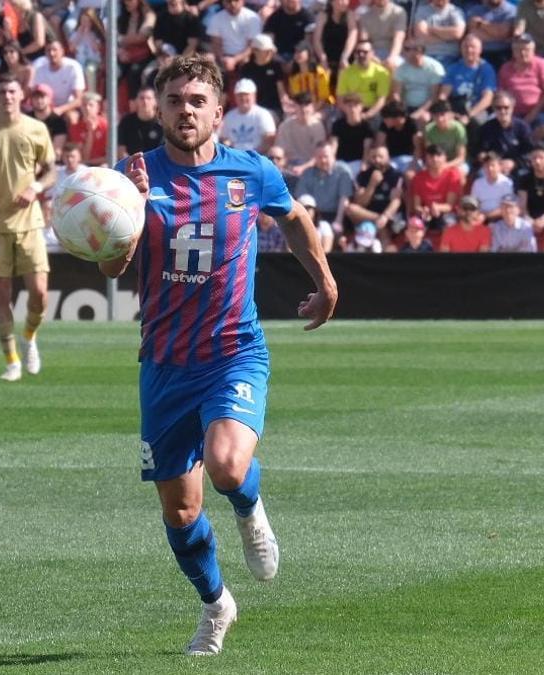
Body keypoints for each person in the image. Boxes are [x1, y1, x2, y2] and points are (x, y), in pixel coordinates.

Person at [101, 54, 336, 657]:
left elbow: (296, 220)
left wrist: (327, 282)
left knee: (227, 465)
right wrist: (127, 212)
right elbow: (111, 265)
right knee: (180, 511)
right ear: (158, 107)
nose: (186, 110)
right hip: (163, 363)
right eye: (175, 99)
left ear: (219, 111)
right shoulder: (132, 176)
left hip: (234, 351)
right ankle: (216, 605)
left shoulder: (251, 172)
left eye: (197, 101)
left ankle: (250, 507)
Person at [0, 74, 56, 381]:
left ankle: (29, 336)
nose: (7, 96)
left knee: (39, 293)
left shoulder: (36, 129)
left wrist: (36, 188)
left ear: (21, 95)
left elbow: (52, 171)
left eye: (12, 91)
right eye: (1, 91)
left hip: (29, 223)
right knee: (1, 294)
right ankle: (12, 360)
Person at [346, 145, 403, 245]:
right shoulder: (363, 175)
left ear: (388, 157)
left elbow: (396, 201)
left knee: (382, 228)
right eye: (374, 157)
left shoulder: (396, 175)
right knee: (351, 209)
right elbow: (360, 203)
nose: (377, 160)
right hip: (367, 214)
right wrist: (372, 184)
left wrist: (385, 216)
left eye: (380, 157)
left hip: (388, 216)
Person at [440, 34, 497, 125]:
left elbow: (487, 99)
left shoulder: (486, 69)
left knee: (477, 122)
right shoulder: (453, 68)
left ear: (480, 50)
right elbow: (443, 95)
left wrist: (468, 115)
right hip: (456, 107)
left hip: (477, 109)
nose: (469, 50)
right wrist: (446, 112)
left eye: (473, 47)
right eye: (465, 47)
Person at [393, 40, 446, 124]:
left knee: (423, 118)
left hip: (429, 108)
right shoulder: (401, 69)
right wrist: (400, 111)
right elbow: (396, 94)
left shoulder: (434, 68)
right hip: (407, 107)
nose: (405, 53)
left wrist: (420, 112)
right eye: (405, 49)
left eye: (409, 49)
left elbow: (434, 97)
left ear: (420, 51)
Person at [219, 78, 277, 153]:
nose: (243, 98)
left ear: (254, 95)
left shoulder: (263, 114)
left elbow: (269, 140)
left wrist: (251, 156)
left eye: (246, 94)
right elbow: (224, 138)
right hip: (234, 157)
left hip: (257, 157)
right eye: (240, 95)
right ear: (235, 97)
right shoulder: (229, 116)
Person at [31, 39, 86, 117]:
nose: (51, 53)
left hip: (66, 106)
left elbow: (79, 99)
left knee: (72, 117)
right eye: (48, 50)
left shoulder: (73, 67)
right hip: (44, 106)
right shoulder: (39, 66)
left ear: (62, 51)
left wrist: (60, 110)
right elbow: (33, 93)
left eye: (55, 50)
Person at [336, 39, 391, 117]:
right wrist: (352, 114)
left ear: (372, 53)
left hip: (372, 110)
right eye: (358, 52)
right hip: (350, 110)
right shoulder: (345, 73)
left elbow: (381, 100)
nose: (361, 55)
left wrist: (367, 115)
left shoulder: (381, 73)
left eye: (365, 52)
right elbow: (340, 99)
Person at [207, 0, 263, 76]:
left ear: (243, 1)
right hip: (224, 56)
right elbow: (216, 43)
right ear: (223, 2)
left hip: (245, 57)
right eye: (229, 1)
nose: (232, 4)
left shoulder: (252, 18)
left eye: (236, 0)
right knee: (208, 58)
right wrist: (222, 59)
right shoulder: (216, 18)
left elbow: (252, 45)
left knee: (247, 60)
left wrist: (235, 60)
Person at [237, 34, 287, 119]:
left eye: (270, 51)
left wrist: (286, 105)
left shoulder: (276, 66)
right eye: (266, 51)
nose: (269, 53)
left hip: (273, 108)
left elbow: (281, 90)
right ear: (255, 51)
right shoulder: (246, 69)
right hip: (252, 109)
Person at [413, 0, 466, 68]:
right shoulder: (422, 10)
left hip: (451, 56)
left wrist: (431, 29)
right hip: (428, 55)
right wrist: (449, 38)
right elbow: (421, 35)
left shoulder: (456, 11)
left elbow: (458, 33)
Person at [467, 0, 518, 70]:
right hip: (481, 53)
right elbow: (473, 33)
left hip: (504, 53)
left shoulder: (511, 10)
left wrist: (481, 24)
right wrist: (501, 36)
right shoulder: (475, 10)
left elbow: (504, 32)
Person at [356, 0, 407, 67]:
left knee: (398, 65)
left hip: (392, 51)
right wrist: (372, 57)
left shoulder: (399, 12)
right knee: (357, 64)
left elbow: (398, 38)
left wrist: (392, 57)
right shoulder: (365, 16)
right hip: (373, 52)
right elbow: (364, 41)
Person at [118, 86, 165, 156]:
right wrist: (132, 164)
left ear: (156, 101)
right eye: (141, 98)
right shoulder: (126, 122)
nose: (145, 101)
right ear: (136, 101)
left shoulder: (163, 122)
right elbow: (121, 150)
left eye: (148, 98)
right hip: (132, 163)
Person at [469, 151, 514, 220]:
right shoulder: (477, 183)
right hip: (479, 218)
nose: (490, 169)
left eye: (493, 165)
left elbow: (506, 207)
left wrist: (486, 216)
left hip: (500, 218)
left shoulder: (506, 183)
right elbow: (473, 204)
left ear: (499, 167)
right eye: (487, 166)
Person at [27, 84, 68, 153]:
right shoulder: (26, 119)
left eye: (42, 97)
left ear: (50, 99)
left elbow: (57, 149)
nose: (39, 100)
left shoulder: (58, 121)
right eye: (36, 97)